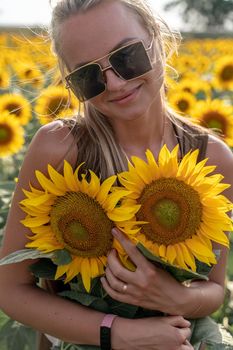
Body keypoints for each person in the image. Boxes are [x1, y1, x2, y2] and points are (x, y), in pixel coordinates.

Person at [0, 0, 233, 349]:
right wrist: (118, 332)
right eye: (88, 76)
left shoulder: (210, 158)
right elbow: (10, 289)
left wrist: (175, 298)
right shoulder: (60, 149)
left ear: (156, 39)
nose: (114, 82)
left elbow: (214, 288)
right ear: (71, 83)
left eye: (126, 56)